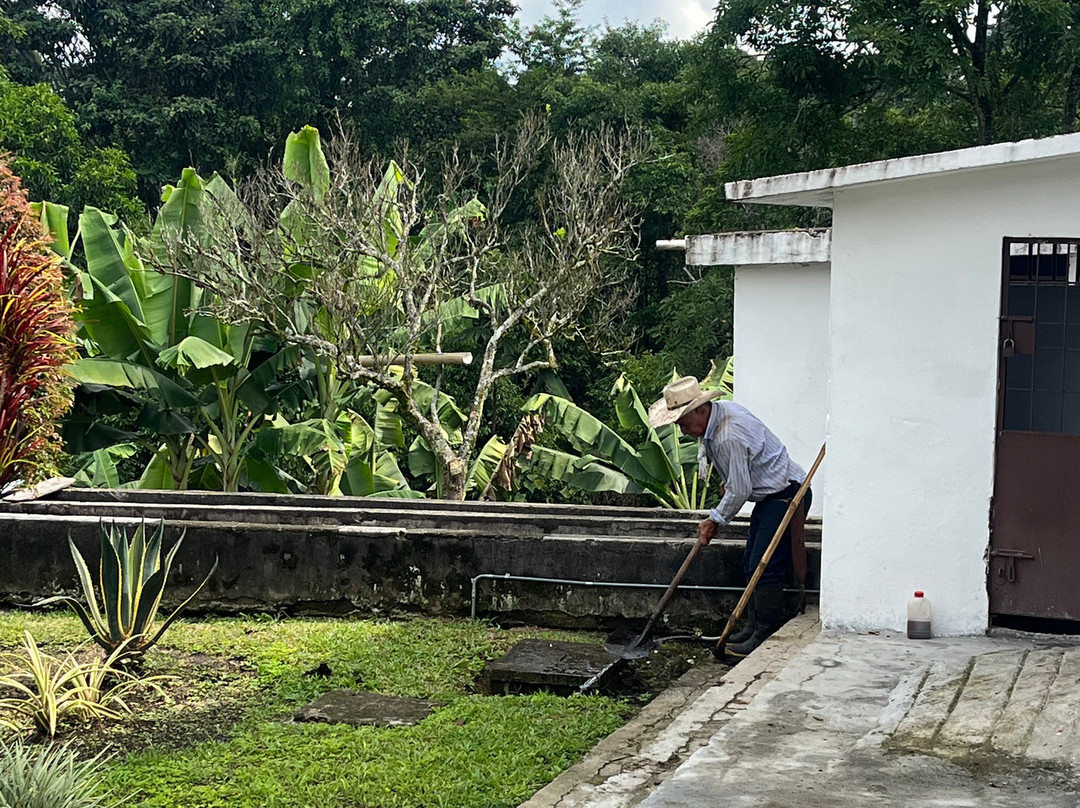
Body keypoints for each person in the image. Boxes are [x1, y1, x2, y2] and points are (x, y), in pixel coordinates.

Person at [647, 375, 810, 657]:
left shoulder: (727, 435)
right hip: (770, 493)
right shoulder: (718, 416)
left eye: (684, 423)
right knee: (751, 562)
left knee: (765, 565)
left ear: (701, 410)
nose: (683, 431)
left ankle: (764, 633)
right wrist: (731, 483)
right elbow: (740, 477)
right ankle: (751, 626)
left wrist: (715, 519)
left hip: (787, 496)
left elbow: (739, 489)